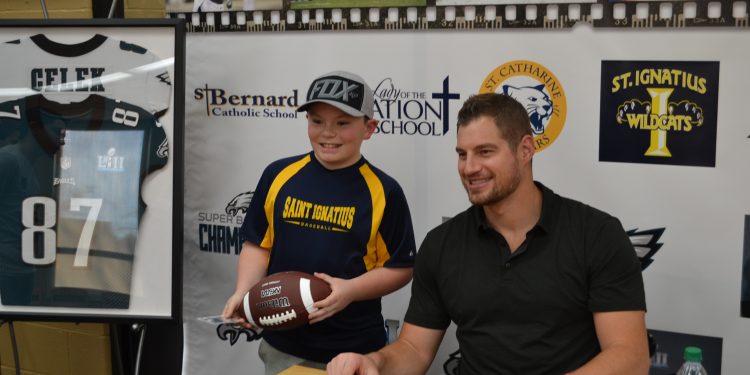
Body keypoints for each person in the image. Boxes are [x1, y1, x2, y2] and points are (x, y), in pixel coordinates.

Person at [327, 93, 651, 375]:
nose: (469, 168)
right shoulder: (442, 244)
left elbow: (630, 358)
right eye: (462, 154)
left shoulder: (596, 235)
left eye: (484, 152)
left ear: (525, 149)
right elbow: (414, 349)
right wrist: (374, 363)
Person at [222, 70, 416, 374]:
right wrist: (244, 292)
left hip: (354, 349)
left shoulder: (383, 190)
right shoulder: (279, 175)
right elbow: (258, 244)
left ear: (369, 128)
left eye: (342, 123)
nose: (328, 133)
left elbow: (401, 268)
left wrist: (349, 290)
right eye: (317, 121)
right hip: (283, 346)